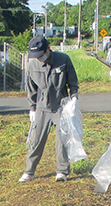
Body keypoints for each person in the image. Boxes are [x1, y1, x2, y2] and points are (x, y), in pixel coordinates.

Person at [20, 35, 79, 183]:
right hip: (41, 108)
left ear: (48, 49)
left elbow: (73, 82)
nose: (39, 58)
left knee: (62, 139)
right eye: (35, 56)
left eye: (41, 55)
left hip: (61, 107)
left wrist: (74, 99)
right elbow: (31, 88)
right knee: (36, 140)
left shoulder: (63, 60)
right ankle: (29, 171)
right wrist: (32, 108)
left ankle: (62, 171)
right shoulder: (33, 65)